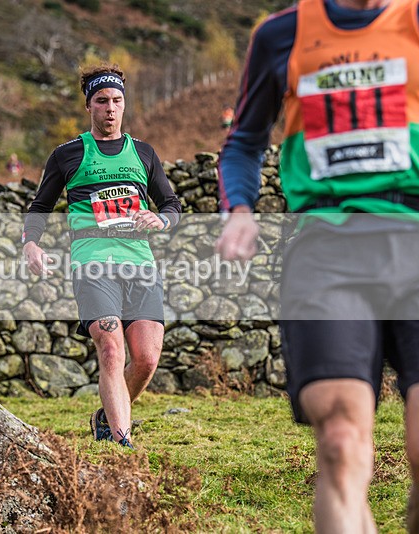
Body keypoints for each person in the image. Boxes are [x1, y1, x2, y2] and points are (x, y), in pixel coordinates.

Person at [215, 1, 419, 532]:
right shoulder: (282, 35)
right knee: (340, 441)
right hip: (328, 250)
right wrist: (239, 210)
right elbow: (243, 143)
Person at [23, 64, 182, 449]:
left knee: (146, 359)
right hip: (92, 263)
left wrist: (160, 219)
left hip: (140, 263)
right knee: (111, 347)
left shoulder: (143, 153)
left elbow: (172, 204)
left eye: (116, 100)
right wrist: (31, 242)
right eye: (101, 100)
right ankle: (121, 442)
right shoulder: (67, 154)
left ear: (124, 105)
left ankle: (105, 418)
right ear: (89, 106)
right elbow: (40, 206)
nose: (110, 108)